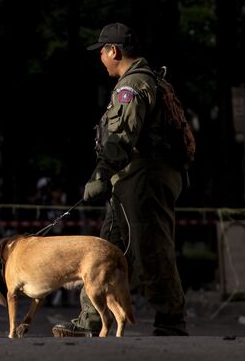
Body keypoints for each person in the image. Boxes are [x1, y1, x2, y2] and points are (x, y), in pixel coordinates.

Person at [52, 23, 187, 337]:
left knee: (152, 247)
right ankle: (90, 320)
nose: (100, 55)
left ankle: (171, 321)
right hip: (129, 178)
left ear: (114, 51)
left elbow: (120, 137)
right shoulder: (142, 80)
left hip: (145, 177)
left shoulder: (133, 86)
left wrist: (100, 173)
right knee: (104, 251)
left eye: (102, 49)